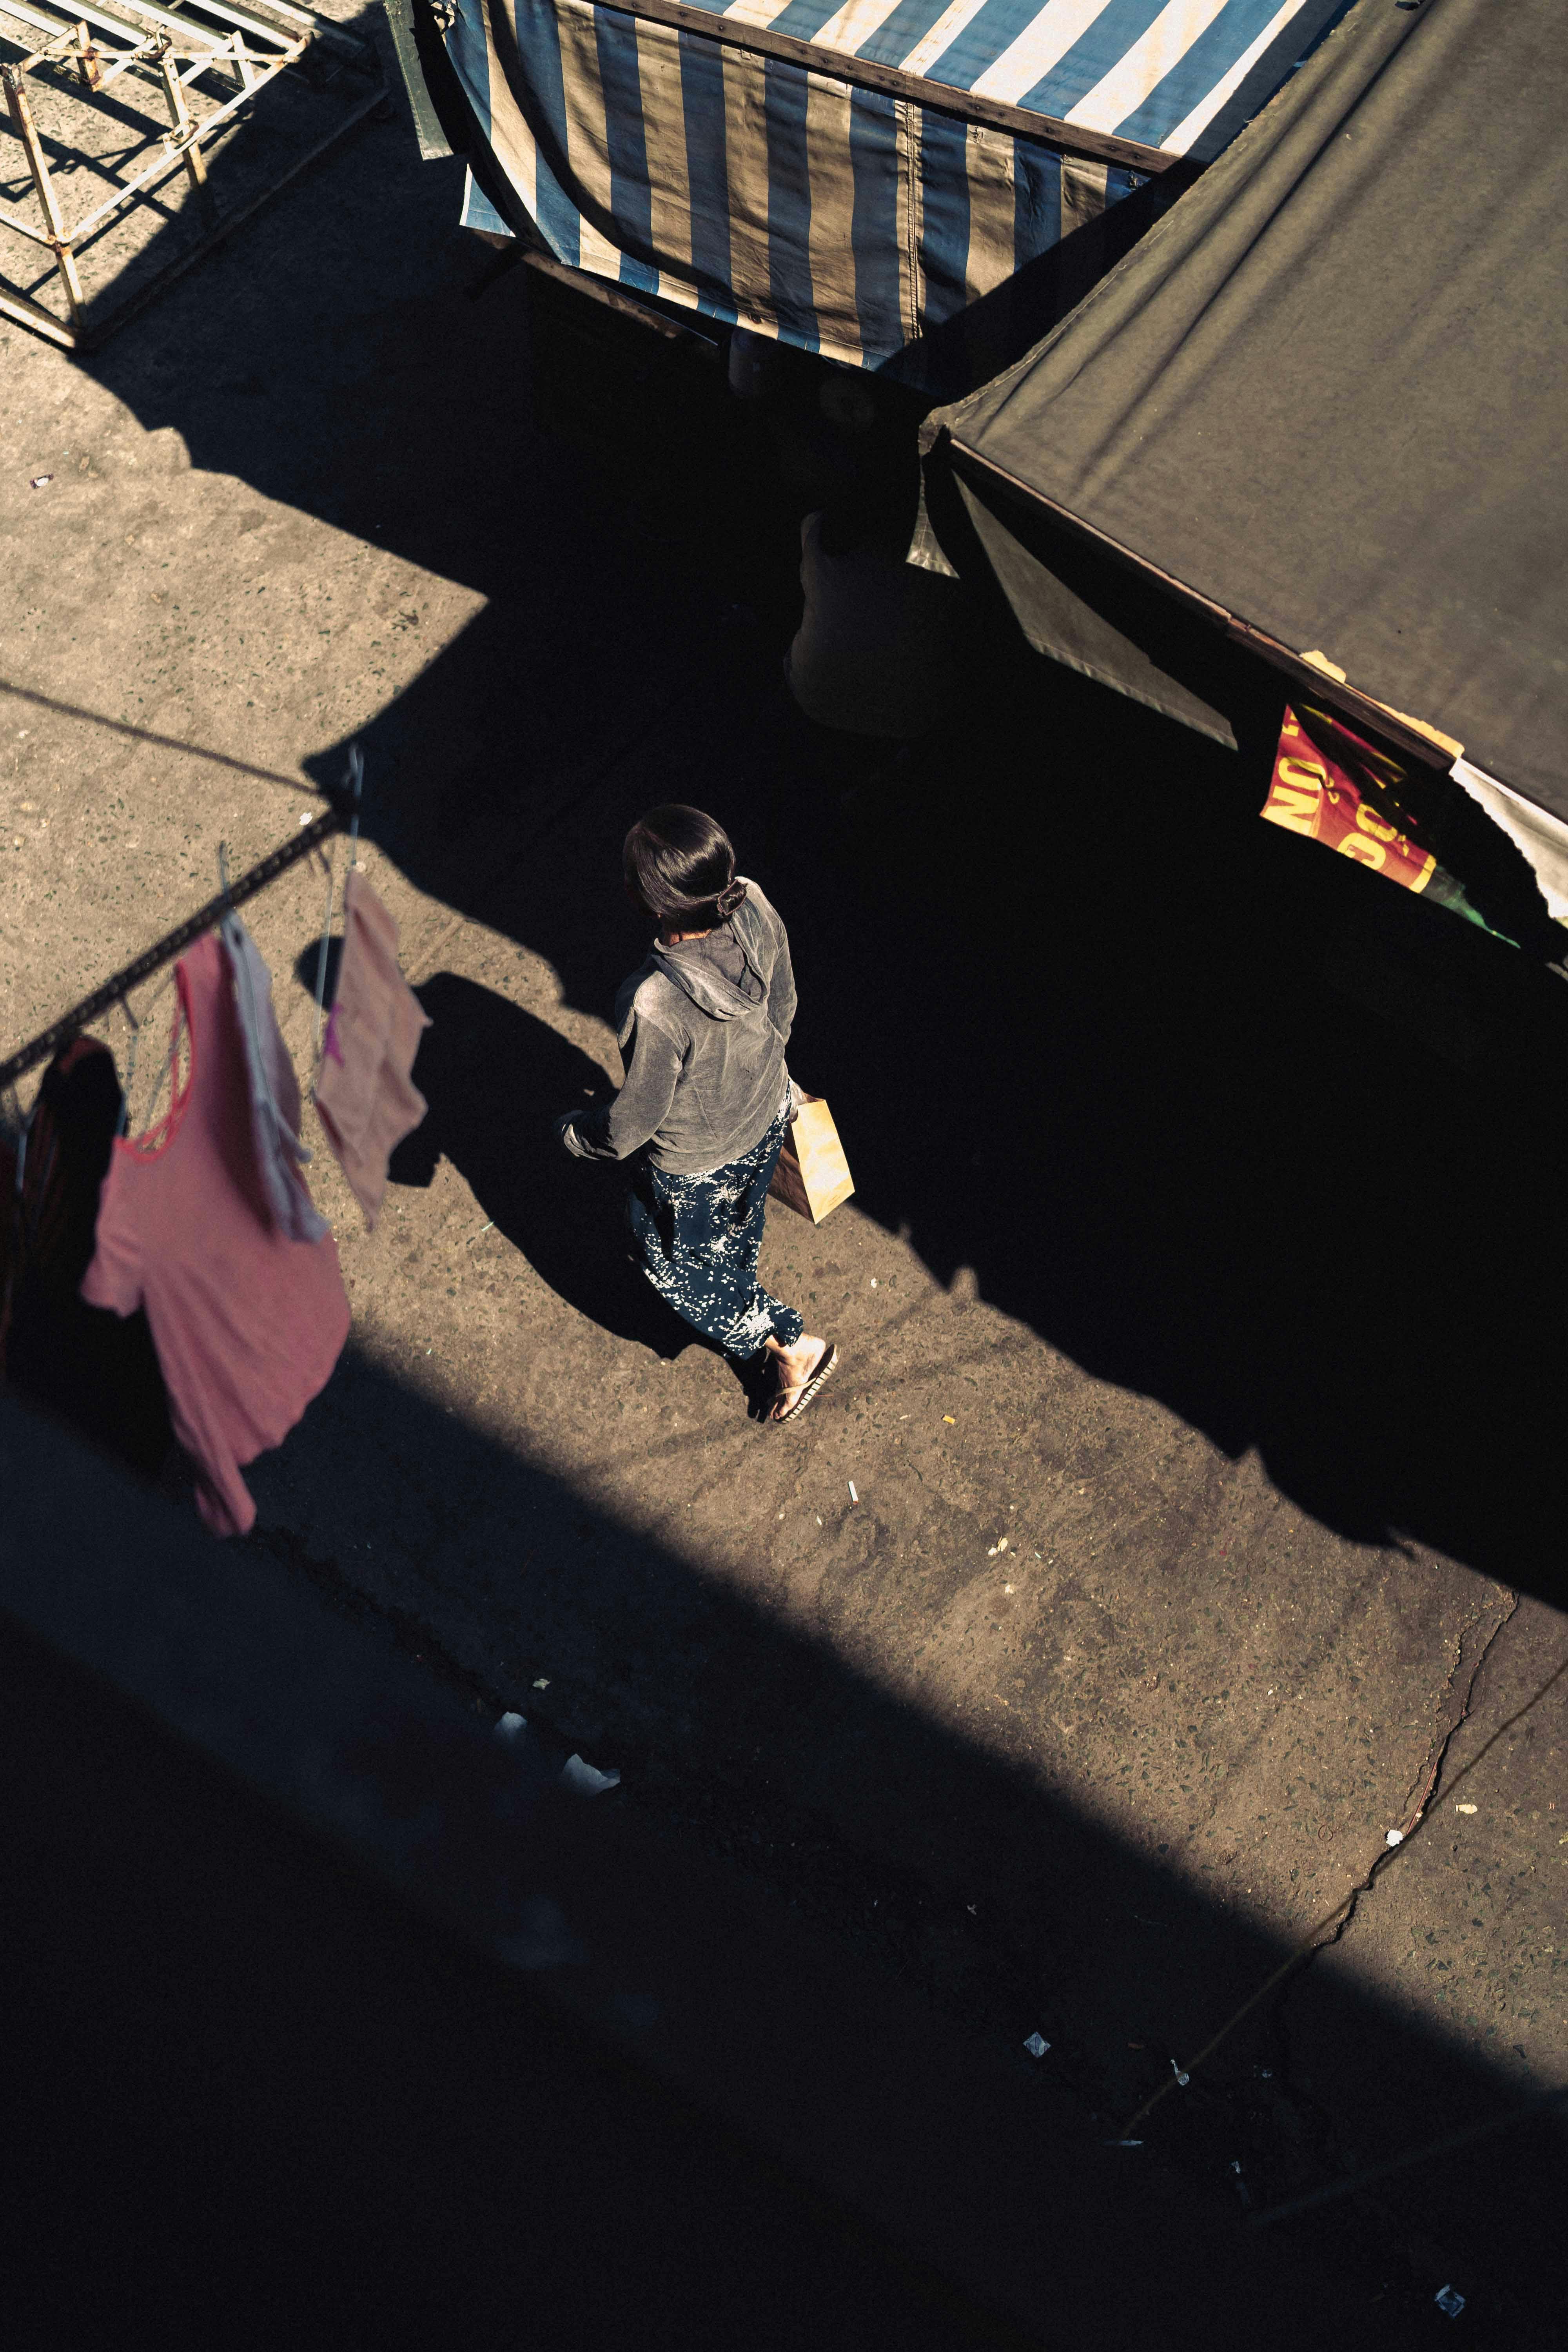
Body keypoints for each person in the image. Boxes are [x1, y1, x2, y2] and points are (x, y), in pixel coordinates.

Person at [557, 805, 836, 1425]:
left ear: (648, 901)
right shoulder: (757, 905)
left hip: (696, 1165)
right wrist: (758, 1073)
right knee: (738, 1227)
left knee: (674, 1267)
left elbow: (634, 1123)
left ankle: (790, 1344)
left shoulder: (654, 1001)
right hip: (767, 1114)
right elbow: (783, 1006)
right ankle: (746, 1290)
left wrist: (577, 1136)